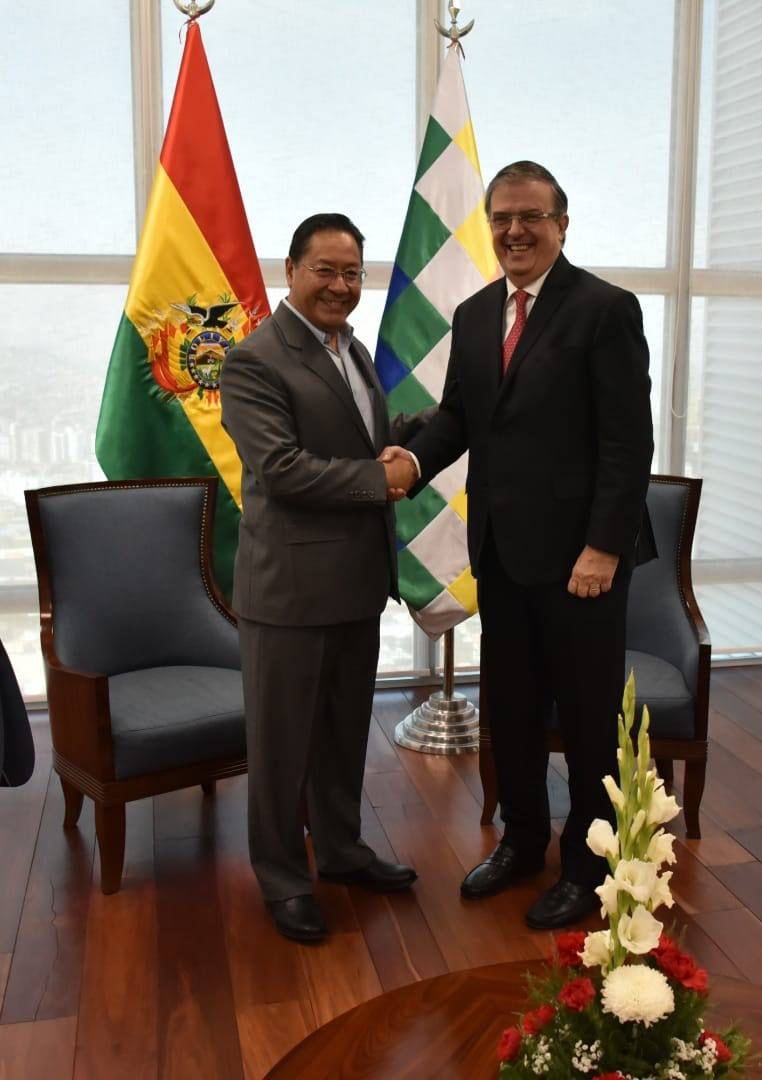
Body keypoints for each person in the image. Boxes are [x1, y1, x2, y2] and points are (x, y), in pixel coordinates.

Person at [381, 161, 655, 929]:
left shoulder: (604, 309)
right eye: (501, 217)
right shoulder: (472, 315)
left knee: (587, 715)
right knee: (512, 708)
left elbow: (626, 443)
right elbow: (459, 420)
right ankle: (523, 842)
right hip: (500, 554)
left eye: (530, 216)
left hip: (580, 566)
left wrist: (603, 547)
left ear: (561, 224)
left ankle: (587, 863)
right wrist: (409, 463)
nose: (513, 230)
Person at [220, 213, 422, 943]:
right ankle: (281, 878)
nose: (340, 285)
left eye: (351, 273)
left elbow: (363, 433)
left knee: (340, 736)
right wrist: (383, 477)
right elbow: (281, 471)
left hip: (355, 585)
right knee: (280, 748)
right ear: (291, 270)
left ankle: (340, 851)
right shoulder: (255, 359)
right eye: (325, 270)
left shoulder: (350, 349)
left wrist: (433, 427)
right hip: (290, 593)